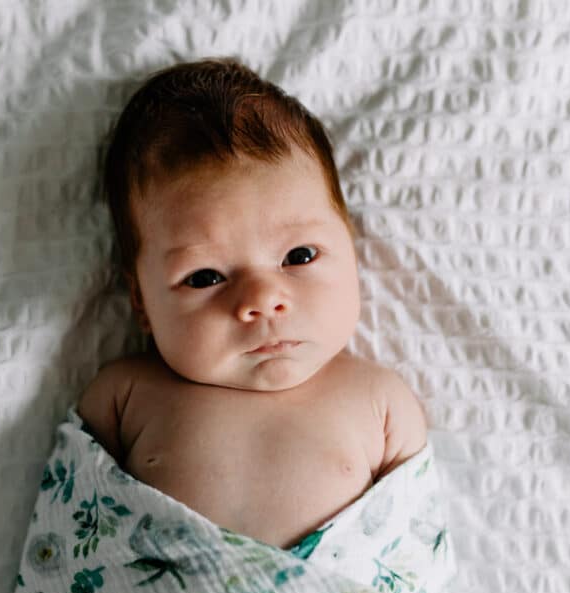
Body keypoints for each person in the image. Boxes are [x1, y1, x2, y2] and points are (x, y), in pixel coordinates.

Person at [78, 57, 428, 551]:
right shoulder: (124, 396)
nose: (263, 300)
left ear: (349, 248)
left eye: (298, 256)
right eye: (204, 277)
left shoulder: (381, 402)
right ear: (141, 301)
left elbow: (416, 556)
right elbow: (73, 527)